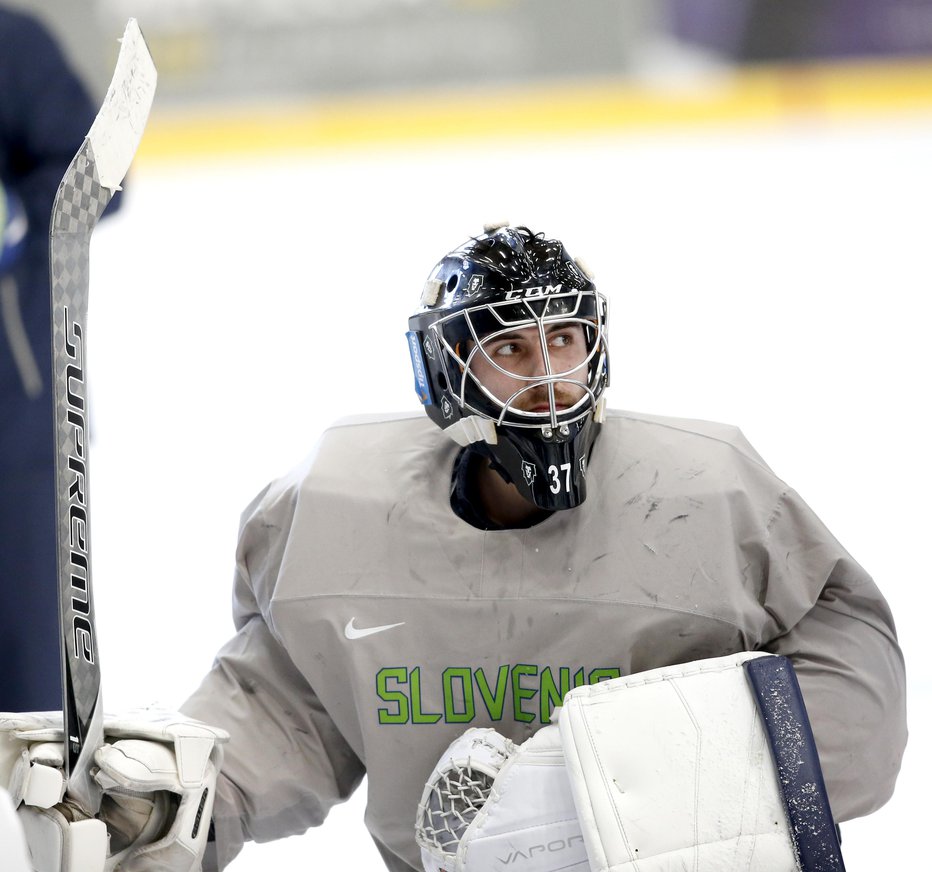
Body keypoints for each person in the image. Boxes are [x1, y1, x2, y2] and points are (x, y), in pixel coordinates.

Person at [0, 224, 907, 872]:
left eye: (566, 339)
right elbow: (287, 718)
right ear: (446, 373)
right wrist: (165, 805)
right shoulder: (338, 514)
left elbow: (857, 703)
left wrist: (587, 793)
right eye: (511, 348)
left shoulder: (711, 494)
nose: (552, 378)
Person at [0, 6, 120, 712]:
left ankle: (29, 819)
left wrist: (20, 209)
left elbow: (102, 168)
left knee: (32, 690)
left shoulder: (11, 42)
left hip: (14, 421)